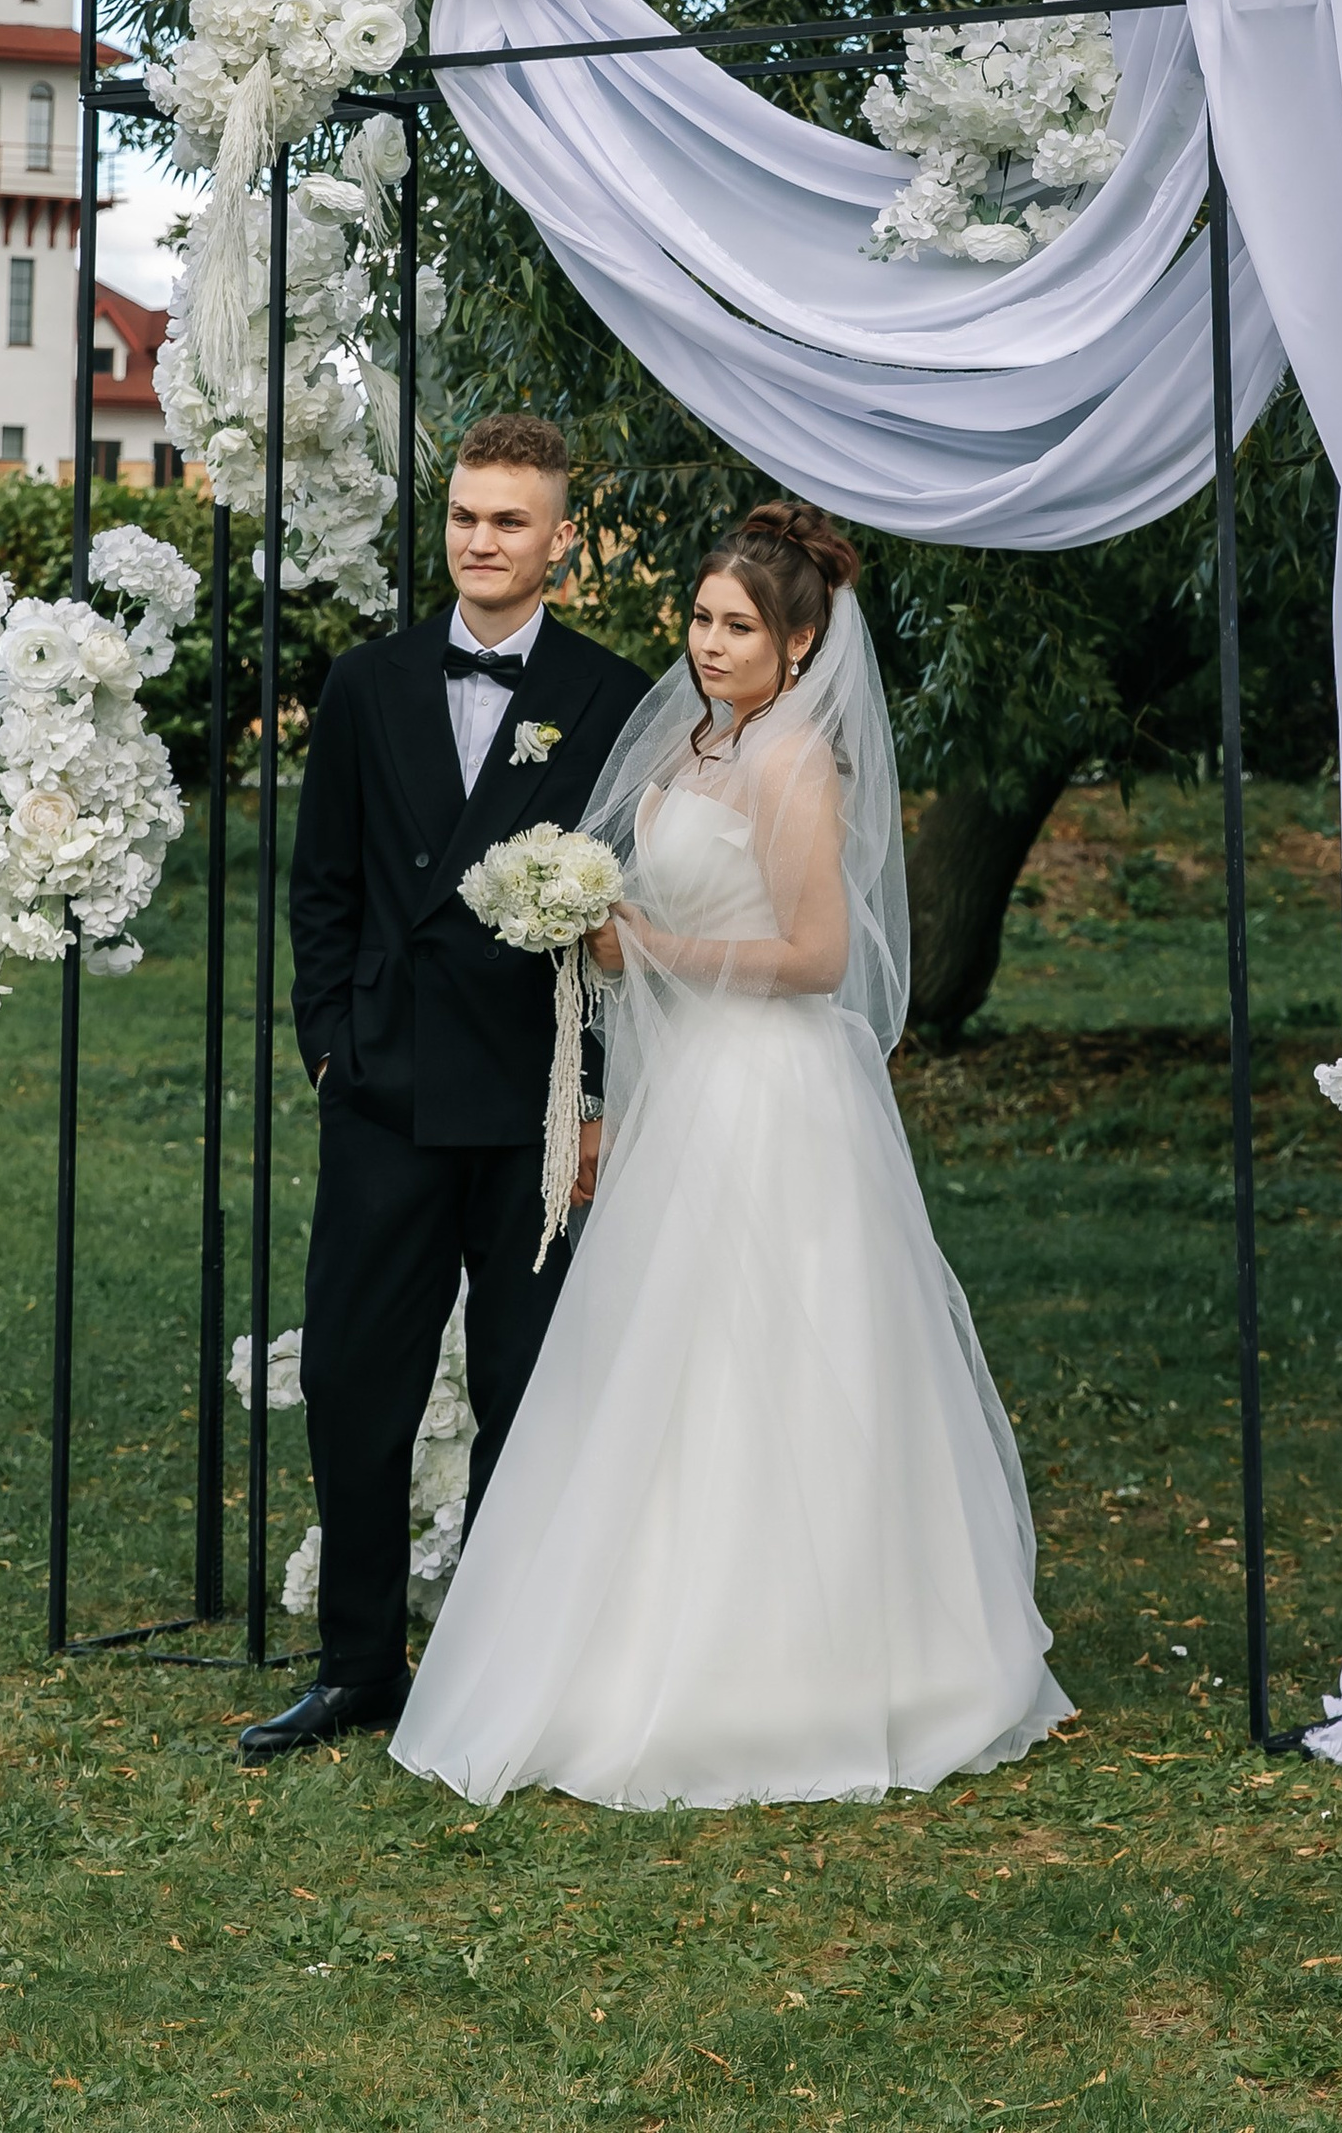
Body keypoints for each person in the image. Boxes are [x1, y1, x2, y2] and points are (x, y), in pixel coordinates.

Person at [390, 499, 1071, 1810]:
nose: (709, 645)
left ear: (799, 645)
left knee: (770, 1359)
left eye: (739, 628)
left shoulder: (792, 762)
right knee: (657, 1354)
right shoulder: (701, 745)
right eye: (701, 620)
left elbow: (817, 957)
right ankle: (632, 1637)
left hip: (772, 1094)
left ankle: (797, 1669)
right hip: (689, 1082)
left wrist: (646, 946)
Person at [235, 412, 651, 1764]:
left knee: (524, 1390)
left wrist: (592, 1100)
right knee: (355, 1378)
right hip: (388, 1092)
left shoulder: (612, 696)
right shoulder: (368, 683)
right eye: (466, 516)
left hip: (534, 1102)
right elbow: (324, 888)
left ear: (560, 542)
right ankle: (358, 1665)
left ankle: (497, 1667)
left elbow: (625, 922)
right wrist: (331, 1048)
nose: (481, 540)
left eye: (510, 521)